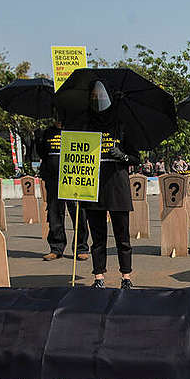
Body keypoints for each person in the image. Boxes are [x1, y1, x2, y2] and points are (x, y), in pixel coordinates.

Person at [84, 80, 140, 288]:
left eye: (101, 96)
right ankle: (98, 276)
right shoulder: (86, 127)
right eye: (94, 97)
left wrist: (122, 156)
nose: (98, 100)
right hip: (93, 188)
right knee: (97, 239)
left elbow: (136, 158)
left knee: (122, 238)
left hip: (117, 189)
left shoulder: (122, 128)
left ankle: (126, 276)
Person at [38, 110, 89, 261]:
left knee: (78, 213)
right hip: (53, 180)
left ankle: (81, 247)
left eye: (61, 116)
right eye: (56, 117)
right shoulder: (47, 133)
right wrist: (37, 141)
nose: (58, 119)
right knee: (54, 214)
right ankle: (56, 248)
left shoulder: (75, 130)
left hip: (72, 178)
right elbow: (42, 154)